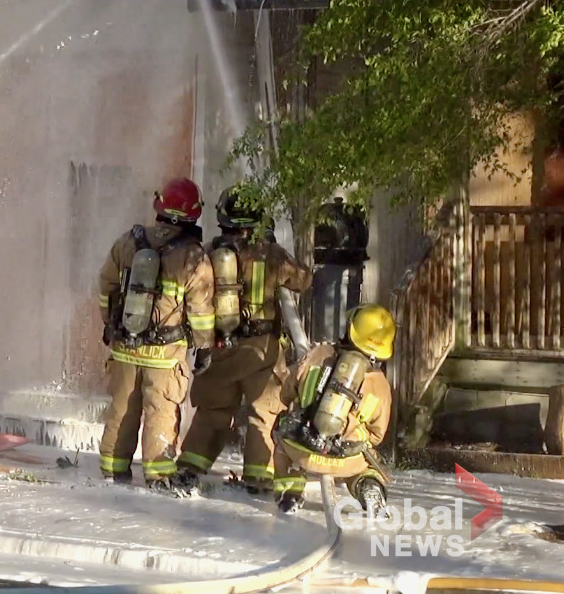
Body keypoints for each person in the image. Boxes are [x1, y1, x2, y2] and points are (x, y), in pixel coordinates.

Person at [168, 184, 312, 497]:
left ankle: (190, 468)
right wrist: (274, 246)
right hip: (261, 351)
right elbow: (303, 279)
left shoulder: (207, 253)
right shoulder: (269, 254)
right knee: (264, 414)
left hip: (220, 348)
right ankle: (259, 479)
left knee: (212, 412)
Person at [96, 177, 215, 489]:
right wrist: (203, 348)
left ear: (159, 207)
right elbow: (201, 311)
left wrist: (111, 325)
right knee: (160, 412)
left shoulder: (127, 243)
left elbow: (106, 287)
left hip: (125, 347)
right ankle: (159, 475)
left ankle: (112, 470)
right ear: (194, 214)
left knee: (122, 409)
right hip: (165, 354)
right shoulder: (193, 258)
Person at [271, 303, 395, 516]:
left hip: (302, 451)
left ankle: (289, 491)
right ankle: (367, 485)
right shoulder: (380, 383)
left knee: (281, 438)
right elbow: (377, 434)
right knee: (366, 462)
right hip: (346, 459)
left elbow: (286, 394)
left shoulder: (317, 355)